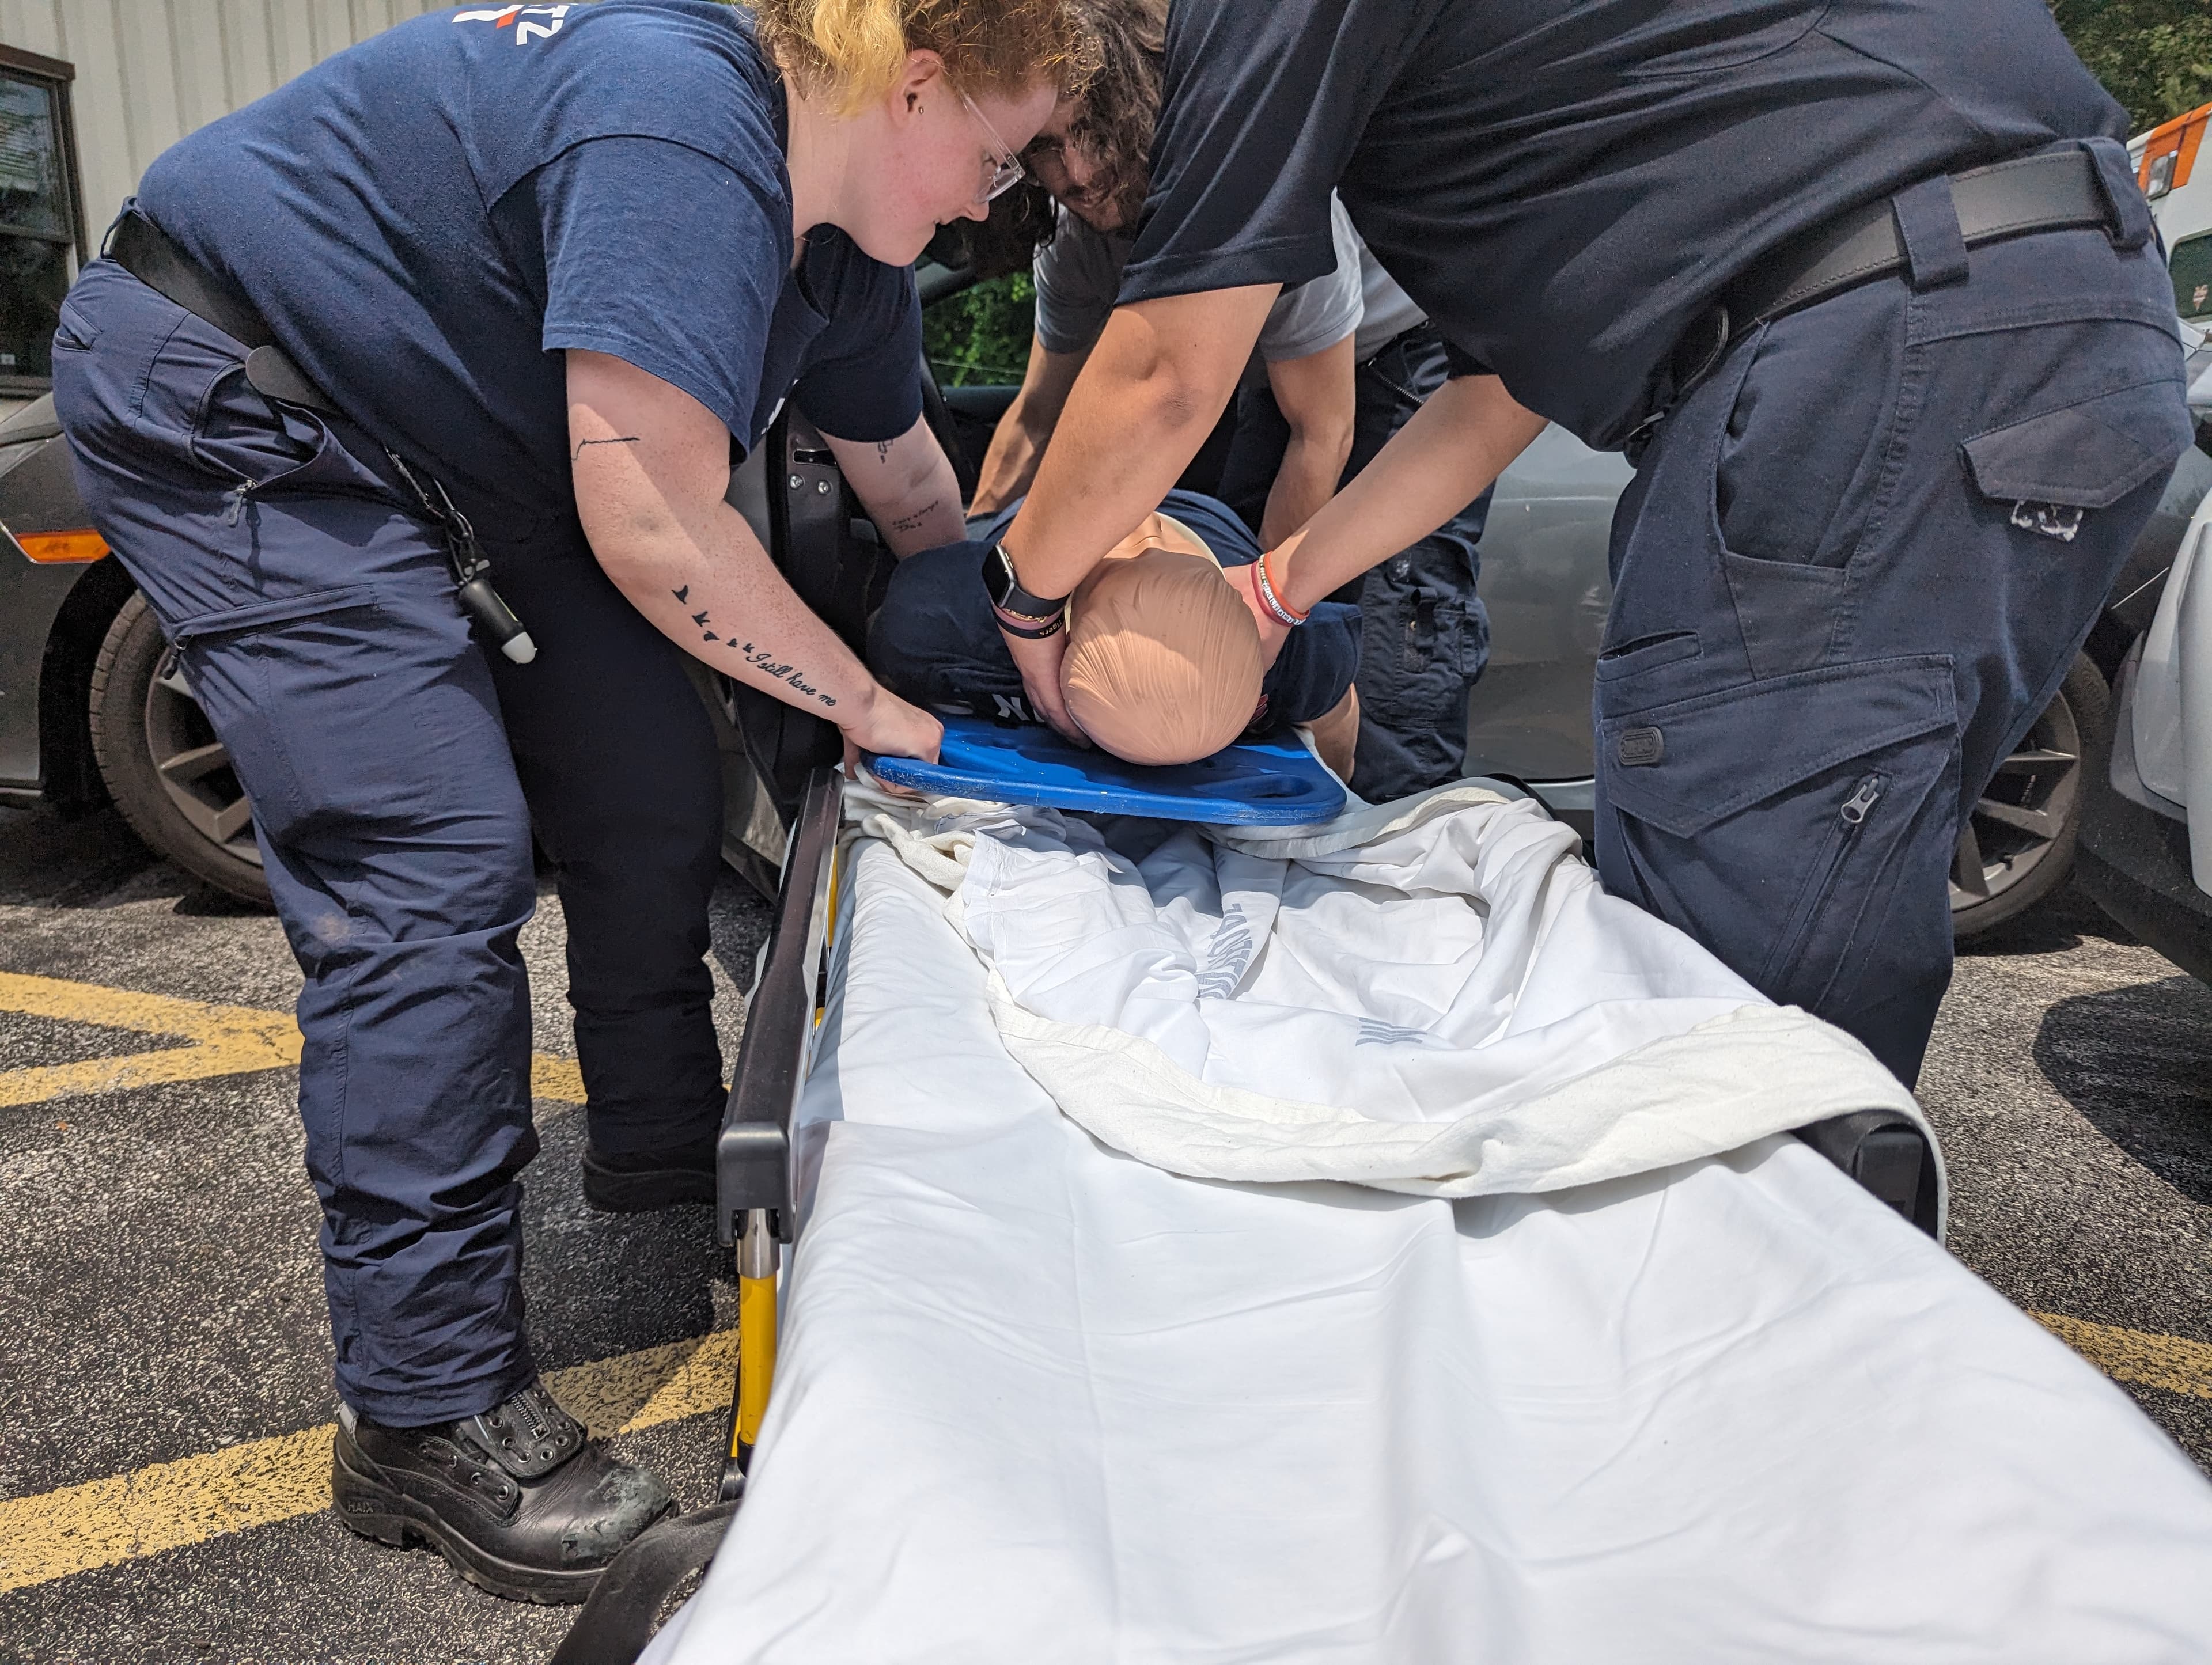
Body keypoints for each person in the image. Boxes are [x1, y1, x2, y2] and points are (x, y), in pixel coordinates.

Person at [52, 0, 1090, 1602]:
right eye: (997, 155)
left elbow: (908, 491)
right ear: (916, 81)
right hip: (252, 396)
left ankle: (677, 1161)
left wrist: (1010, 659)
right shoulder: (683, 125)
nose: (990, 202)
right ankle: (420, 1412)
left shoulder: (846, 259)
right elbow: (663, 526)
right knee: (431, 855)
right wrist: (874, 710)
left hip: (471, 451)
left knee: (650, 771)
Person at [979, 0, 2193, 1088]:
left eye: (1049, 158)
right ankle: (1790, 1272)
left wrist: (1023, 598)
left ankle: (1737, 1299)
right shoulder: (1532, 99)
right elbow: (1497, 396)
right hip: (2058, 310)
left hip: (1887, 333)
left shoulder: (1248, 19)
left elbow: (1161, 376)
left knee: (1727, 990)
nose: (1042, 190)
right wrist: (1275, 590)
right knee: (1832, 906)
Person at [969, 0, 1490, 801]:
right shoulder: (1075, 252)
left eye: (1093, 128)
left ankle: (1388, 824)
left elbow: (1323, 432)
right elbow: (1037, 421)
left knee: (1373, 630)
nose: (1074, 170)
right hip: (1248, 367)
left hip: (1393, 361)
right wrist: (975, 565)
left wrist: (1263, 628)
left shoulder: (1259, 191)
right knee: (1203, 614)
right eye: (1043, 147)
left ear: (1142, 99)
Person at [871, 490, 1361, 773]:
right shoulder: (1304, 649)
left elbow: (889, 653)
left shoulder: (943, 621)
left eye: (1107, 573)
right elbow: (1338, 709)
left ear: (1060, 634)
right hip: (1196, 511)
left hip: (1055, 515)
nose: (1146, 533)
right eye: (1174, 564)